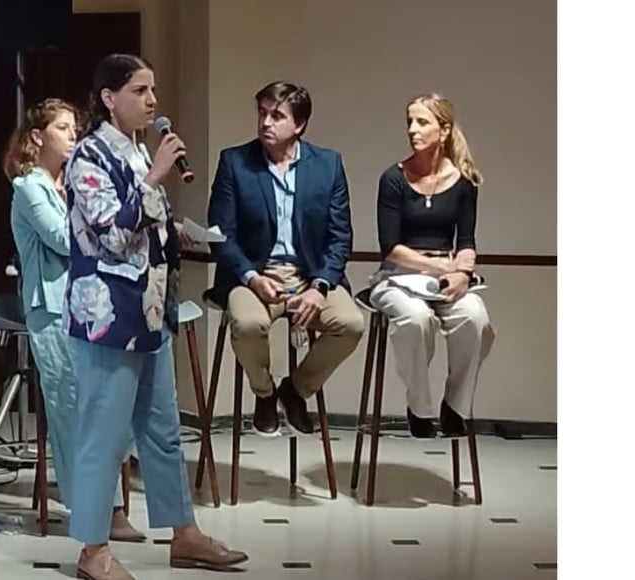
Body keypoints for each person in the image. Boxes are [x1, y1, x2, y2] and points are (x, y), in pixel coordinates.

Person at [64, 54, 248, 580]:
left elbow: (145, 228)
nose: (152, 101)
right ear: (108, 98)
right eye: (140, 91)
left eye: (153, 90)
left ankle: (183, 533)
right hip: (108, 316)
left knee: (163, 429)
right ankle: (92, 550)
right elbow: (112, 234)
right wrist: (155, 177)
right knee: (104, 434)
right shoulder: (88, 156)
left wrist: (180, 230)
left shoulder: (139, 150)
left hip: (149, 311)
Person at [5, 98, 145, 542]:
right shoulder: (29, 187)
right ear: (37, 136)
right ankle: (98, 510)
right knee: (72, 409)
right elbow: (64, 239)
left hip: (91, 304)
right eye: (62, 128)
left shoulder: (73, 183)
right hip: (52, 309)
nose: (73, 136)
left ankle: (107, 504)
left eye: (74, 129)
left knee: (106, 404)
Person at [206, 81, 365, 438]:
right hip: (254, 273)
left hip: (310, 276)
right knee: (248, 324)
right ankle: (264, 394)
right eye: (262, 113)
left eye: (277, 116)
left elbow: (340, 237)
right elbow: (220, 234)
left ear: (299, 125)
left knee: (351, 323)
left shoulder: (328, 165)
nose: (265, 122)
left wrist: (319, 287)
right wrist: (251, 277)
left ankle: (294, 391)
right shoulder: (235, 162)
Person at [369, 92, 496, 439]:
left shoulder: (464, 181)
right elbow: (391, 248)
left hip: (446, 275)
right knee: (416, 319)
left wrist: (463, 274)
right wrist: (441, 269)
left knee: (476, 318)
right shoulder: (393, 178)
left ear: (444, 130)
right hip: (399, 276)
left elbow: (466, 241)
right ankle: (419, 408)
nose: (412, 129)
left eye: (422, 122)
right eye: (409, 122)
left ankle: (455, 406)